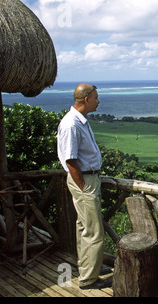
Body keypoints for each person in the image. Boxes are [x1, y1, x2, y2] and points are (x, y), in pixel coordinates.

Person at [57, 84, 111, 290]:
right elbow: (70, 160)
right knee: (94, 231)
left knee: (84, 228)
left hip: (88, 180)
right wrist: (82, 186)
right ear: (86, 99)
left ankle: (89, 268)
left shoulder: (80, 121)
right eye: (96, 98)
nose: (99, 101)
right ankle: (89, 279)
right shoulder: (71, 124)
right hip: (84, 181)